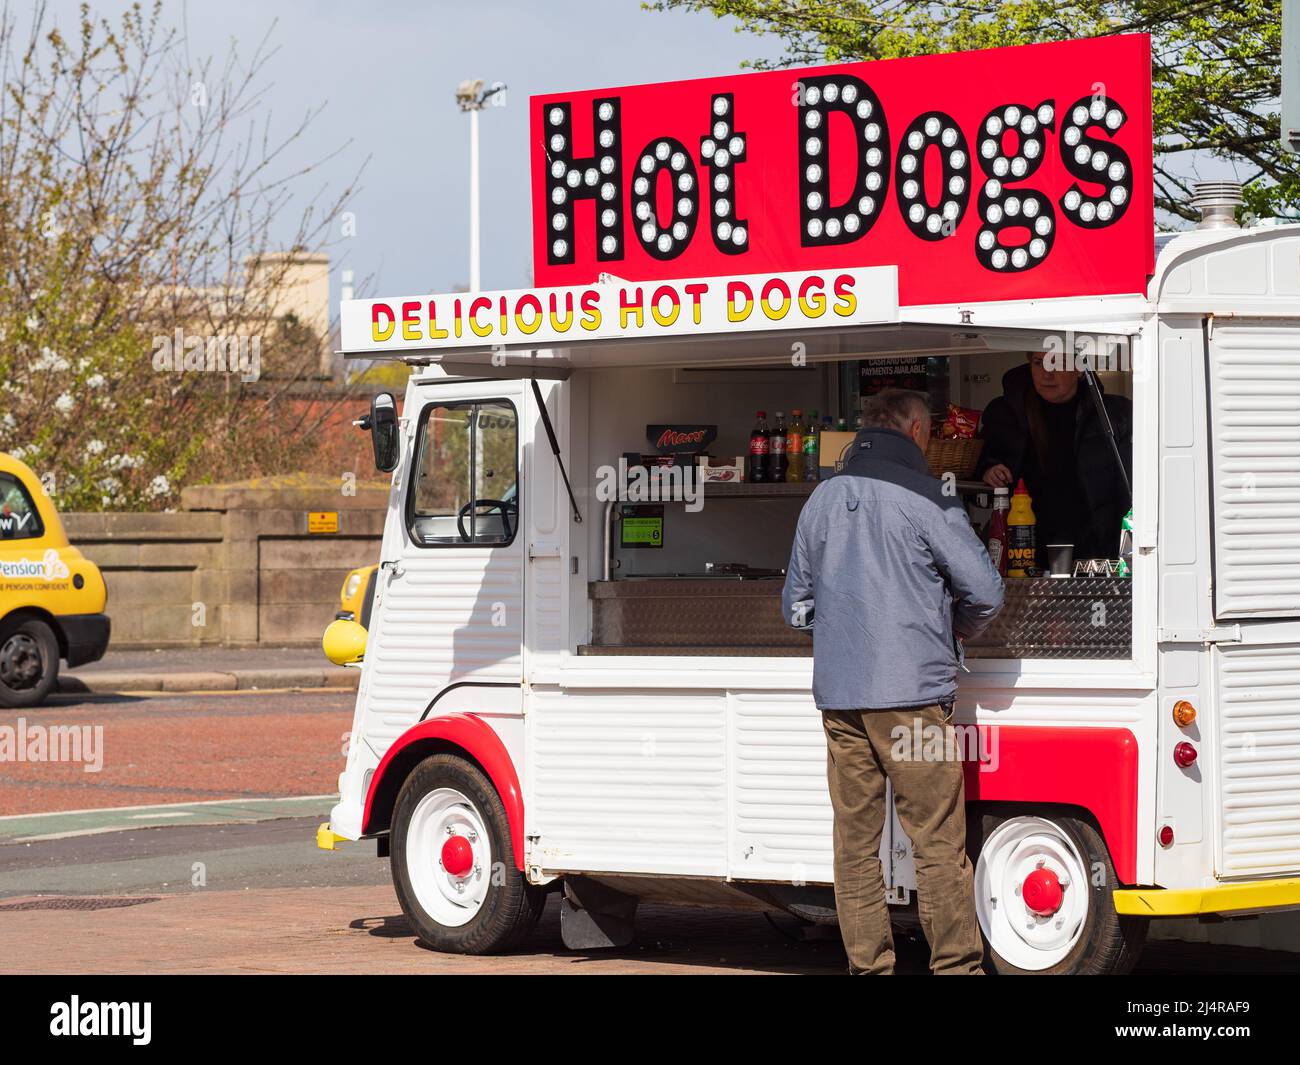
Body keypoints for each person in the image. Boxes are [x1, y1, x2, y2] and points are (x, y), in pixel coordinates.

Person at [782, 389, 1004, 976]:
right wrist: (948, 630)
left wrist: (841, 636)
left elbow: (796, 607)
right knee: (935, 843)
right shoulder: (929, 498)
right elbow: (985, 592)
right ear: (915, 432)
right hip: (914, 705)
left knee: (855, 848)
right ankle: (956, 969)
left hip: (841, 705)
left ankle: (869, 969)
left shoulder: (820, 501)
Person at [977, 352, 1132, 562]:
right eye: (1038, 363)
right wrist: (989, 469)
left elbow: (1132, 487)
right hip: (1024, 550)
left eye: (1056, 363)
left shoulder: (1113, 414)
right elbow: (978, 458)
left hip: (1097, 553)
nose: (1046, 374)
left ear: (1078, 369)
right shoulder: (1005, 412)